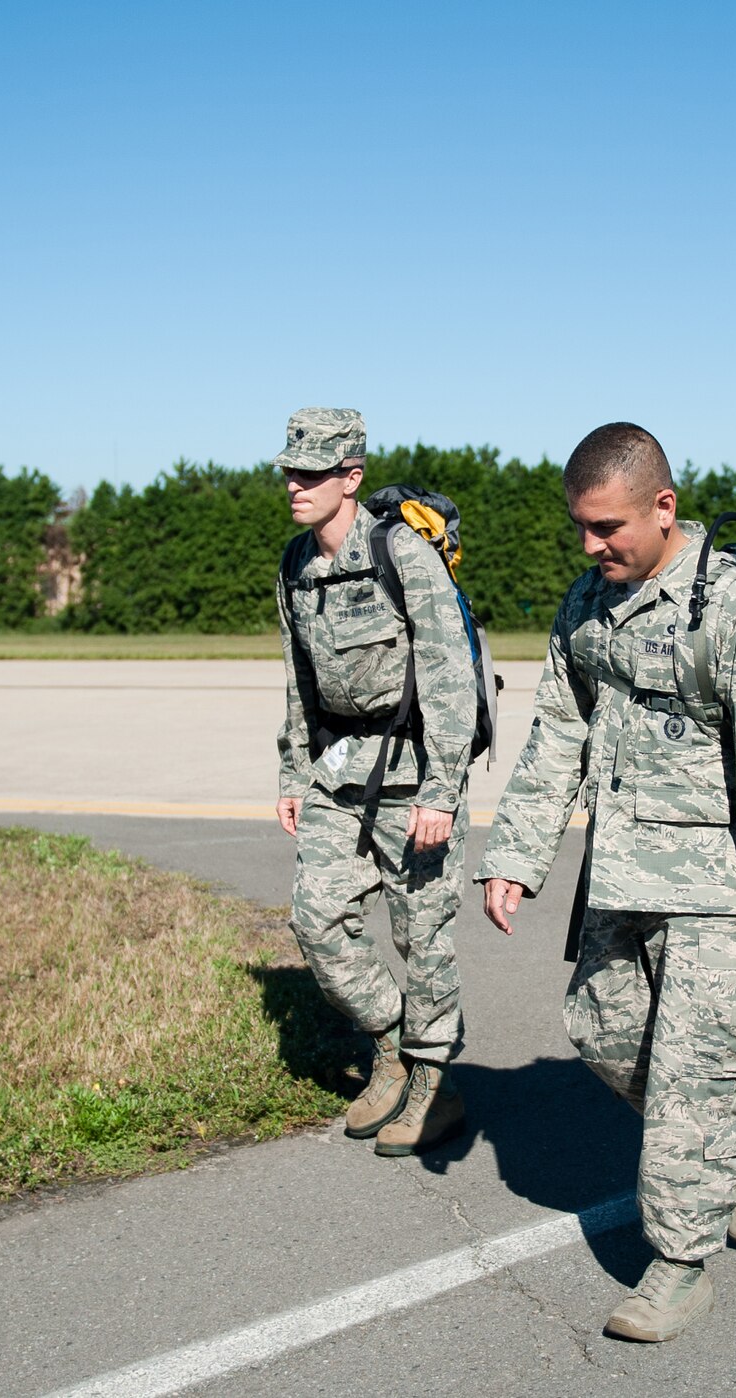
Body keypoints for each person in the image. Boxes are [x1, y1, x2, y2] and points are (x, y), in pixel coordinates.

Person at [476, 422, 736, 1343]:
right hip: (621, 873)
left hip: (716, 887)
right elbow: (558, 732)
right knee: (598, 1029)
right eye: (582, 530)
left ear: (663, 509)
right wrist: (516, 854)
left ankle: (677, 1266)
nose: (593, 547)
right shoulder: (588, 604)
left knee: (684, 1079)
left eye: (609, 528)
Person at [273, 407, 479, 1156]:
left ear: (350, 478)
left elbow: (453, 677)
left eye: (313, 473)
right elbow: (297, 680)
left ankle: (434, 1085)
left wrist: (442, 793)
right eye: (290, 470)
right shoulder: (296, 564)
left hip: (416, 769)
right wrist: (293, 770)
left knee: (422, 937)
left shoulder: (403, 554)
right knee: (315, 918)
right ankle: (391, 1045)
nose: (296, 485)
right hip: (340, 772)